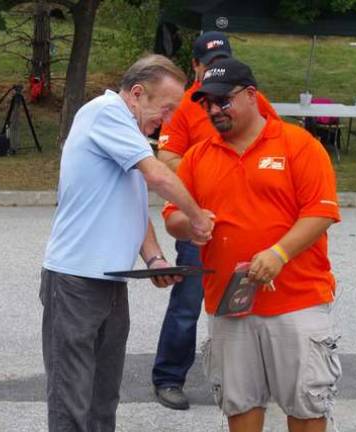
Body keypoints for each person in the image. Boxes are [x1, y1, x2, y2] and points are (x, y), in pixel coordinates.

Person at [163, 57, 342, 432]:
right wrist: (191, 224)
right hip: (229, 306)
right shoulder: (197, 156)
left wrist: (279, 254)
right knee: (239, 402)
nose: (213, 110)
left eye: (221, 101)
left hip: (296, 301)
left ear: (250, 96)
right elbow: (173, 217)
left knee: (306, 404)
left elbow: (321, 211)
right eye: (206, 103)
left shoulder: (298, 144)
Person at [40, 54, 214, 432]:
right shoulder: (105, 112)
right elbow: (158, 177)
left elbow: (131, 204)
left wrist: (153, 259)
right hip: (74, 280)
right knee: (71, 398)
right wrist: (197, 216)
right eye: (166, 109)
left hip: (111, 281)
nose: (167, 121)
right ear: (137, 93)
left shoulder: (130, 133)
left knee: (104, 397)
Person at [152, 31, 280, 410]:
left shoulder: (253, 99)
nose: (213, 68)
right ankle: (169, 377)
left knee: (255, 301)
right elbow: (166, 161)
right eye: (207, 63)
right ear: (194, 66)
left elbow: (273, 140)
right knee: (189, 301)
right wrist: (211, 163)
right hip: (200, 219)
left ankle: (252, 379)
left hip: (249, 218)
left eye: (221, 60)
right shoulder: (187, 106)